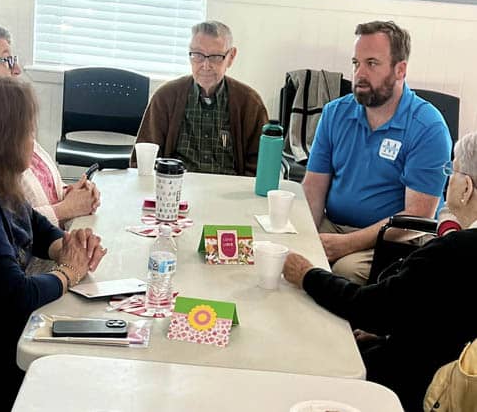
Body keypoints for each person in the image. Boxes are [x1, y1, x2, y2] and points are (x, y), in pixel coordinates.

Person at [283, 131, 477, 412]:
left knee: (309, 351)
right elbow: (444, 316)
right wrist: (392, 329)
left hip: (414, 386)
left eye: (453, 170)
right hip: (446, 366)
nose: (449, 178)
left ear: (467, 188)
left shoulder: (454, 251)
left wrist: (306, 275)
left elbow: (368, 307)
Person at [0, 75, 107, 411]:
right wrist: (69, 272)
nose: (33, 142)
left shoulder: (0, 179)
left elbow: (34, 226)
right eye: (29, 132)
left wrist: (67, 244)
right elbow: (15, 295)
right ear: (4, 137)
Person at [303, 20, 451, 284]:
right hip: (333, 225)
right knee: (290, 252)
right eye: (355, 63)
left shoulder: (428, 127)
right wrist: (305, 235)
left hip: (391, 240)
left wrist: (346, 244)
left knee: (341, 273)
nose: (359, 73)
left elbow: (415, 219)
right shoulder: (335, 113)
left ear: (400, 69)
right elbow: (313, 188)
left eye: (371, 63)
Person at [0, 20, 100, 229]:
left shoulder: (11, 118)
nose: (16, 70)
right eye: (6, 60)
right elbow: (2, 226)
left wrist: (70, 192)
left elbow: (41, 186)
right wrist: (66, 208)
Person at [130, 20, 268, 176]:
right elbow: (142, 160)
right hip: (177, 187)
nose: (206, 65)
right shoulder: (165, 97)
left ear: (231, 57)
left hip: (229, 191)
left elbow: (261, 167)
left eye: (215, 57)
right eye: (197, 55)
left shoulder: (250, 103)